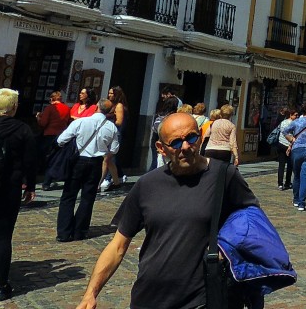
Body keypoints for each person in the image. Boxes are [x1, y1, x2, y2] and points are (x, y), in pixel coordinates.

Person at [74, 112, 259, 309]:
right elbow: (118, 245)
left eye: (191, 138)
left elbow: (254, 224)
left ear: (200, 137)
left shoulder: (224, 176)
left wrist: (229, 249)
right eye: (176, 143)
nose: (186, 147)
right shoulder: (147, 184)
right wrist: (91, 293)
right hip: (148, 298)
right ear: (161, 148)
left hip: (201, 300)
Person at [0, 88, 36, 301]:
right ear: (13, 107)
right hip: (7, 190)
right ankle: (1, 287)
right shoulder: (22, 130)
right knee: (2, 238)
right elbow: (31, 162)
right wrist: (30, 187)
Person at [57, 99, 118, 242]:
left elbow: (61, 140)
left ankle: (64, 233)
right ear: (109, 111)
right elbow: (114, 149)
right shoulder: (111, 127)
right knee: (87, 198)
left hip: (78, 160)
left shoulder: (81, 122)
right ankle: (79, 232)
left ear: (96, 107)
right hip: (96, 162)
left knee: (68, 196)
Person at [35, 90, 70, 189]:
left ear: (52, 99)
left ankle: (39, 176)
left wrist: (38, 118)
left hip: (49, 135)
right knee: (55, 158)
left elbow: (43, 123)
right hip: (61, 136)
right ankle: (47, 181)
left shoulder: (50, 108)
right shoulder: (67, 108)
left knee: (43, 156)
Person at [99, 85, 129, 192]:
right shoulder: (110, 105)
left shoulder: (119, 106)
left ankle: (107, 179)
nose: (110, 95)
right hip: (109, 133)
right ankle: (119, 177)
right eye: (109, 93)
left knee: (109, 158)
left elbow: (119, 122)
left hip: (115, 133)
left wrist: (107, 121)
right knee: (111, 158)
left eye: (112, 93)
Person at [276, 108, 296, 190]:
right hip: (288, 145)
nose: (297, 116)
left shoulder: (282, 122)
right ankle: (287, 183)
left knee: (281, 165)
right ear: (290, 115)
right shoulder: (293, 124)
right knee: (290, 165)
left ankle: (280, 183)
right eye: (295, 115)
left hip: (280, 144)